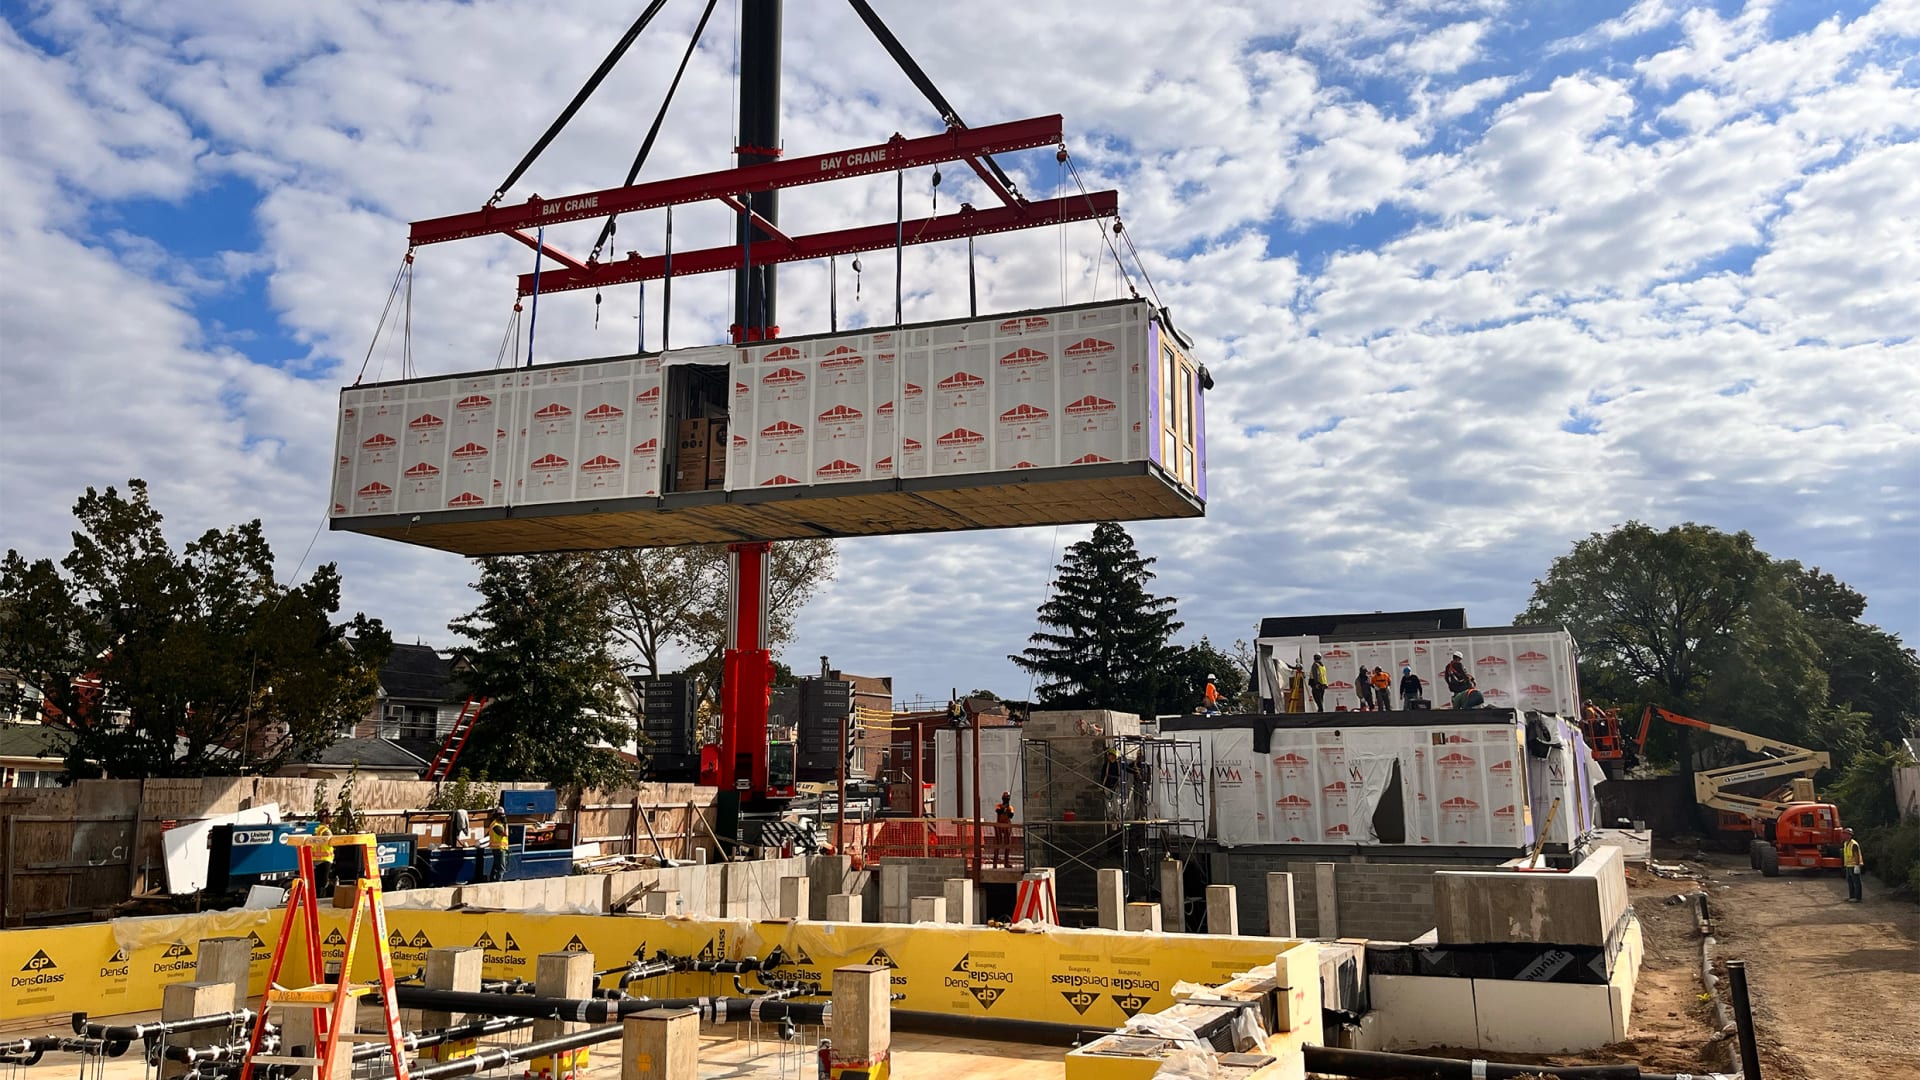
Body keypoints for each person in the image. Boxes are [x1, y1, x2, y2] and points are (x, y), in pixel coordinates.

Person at [311, 809, 336, 894]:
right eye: (330, 817)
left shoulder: (316, 829)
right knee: (322, 883)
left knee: (316, 883)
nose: (331, 819)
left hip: (315, 860)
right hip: (325, 859)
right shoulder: (326, 831)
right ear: (325, 818)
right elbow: (333, 843)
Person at [486, 812, 510, 882]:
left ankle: (492, 880)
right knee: (502, 866)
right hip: (499, 848)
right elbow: (505, 834)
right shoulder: (496, 825)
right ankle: (499, 881)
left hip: (500, 848)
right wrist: (506, 824)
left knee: (496, 866)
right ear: (498, 816)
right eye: (502, 815)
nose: (504, 817)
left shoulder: (498, 824)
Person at [993, 791, 1015, 868]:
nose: (1006, 799)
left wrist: (1007, 809)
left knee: (1007, 844)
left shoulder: (1010, 807)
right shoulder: (998, 806)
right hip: (999, 826)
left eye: (1007, 798)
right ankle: (994, 863)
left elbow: (1011, 815)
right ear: (1002, 798)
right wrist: (1004, 808)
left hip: (1007, 827)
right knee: (997, 844)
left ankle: (1006, 863)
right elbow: (998, 811)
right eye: (1005, 798)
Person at [1842, 830, 1864, 902]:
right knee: (1850, 882)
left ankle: (1858, 898)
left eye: (1845, 834)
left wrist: (1857, 865)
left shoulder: (1854, 844)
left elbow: (1856, 855)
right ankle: (1852, 896)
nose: (1843, 835)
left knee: (1856, 882)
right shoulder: (1846, 843)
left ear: (1849, 835)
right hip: (1848, 865)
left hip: (1854, 865)